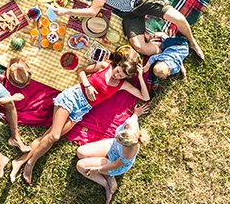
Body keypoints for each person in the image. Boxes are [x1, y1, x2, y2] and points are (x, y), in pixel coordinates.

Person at [10, 49, 150, 185]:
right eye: (118, 70)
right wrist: (87, 85)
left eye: (122, 75)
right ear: (118, 64)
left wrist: (139, 77)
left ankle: (19, 162)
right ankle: (30, 164)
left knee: (47, 136)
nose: (117, 75)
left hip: (81, 111)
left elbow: (145, 96)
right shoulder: (104, 66)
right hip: (72, 97)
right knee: (54, 136)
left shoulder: (122, 85)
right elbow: (81, 71)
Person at [55, 0, 205, 60]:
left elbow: (93, 11)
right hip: (128, 13)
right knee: (140, 48)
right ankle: (169, 52)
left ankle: (192, 43)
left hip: (142, 0)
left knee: (179, 19)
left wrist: (65, 11)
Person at [75, 103, 150, 204]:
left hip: (115, 163)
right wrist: (136, 113)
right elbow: (134, 118)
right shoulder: (130, 124)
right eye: (118, 136)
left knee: (81, 166)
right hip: (113, 146)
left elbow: (115, 165)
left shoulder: (129, 152)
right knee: (80, 152)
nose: (115, 137)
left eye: (119, 139)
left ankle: (106, 183)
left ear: (126, 145)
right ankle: (106, 174)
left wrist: (97, 170)